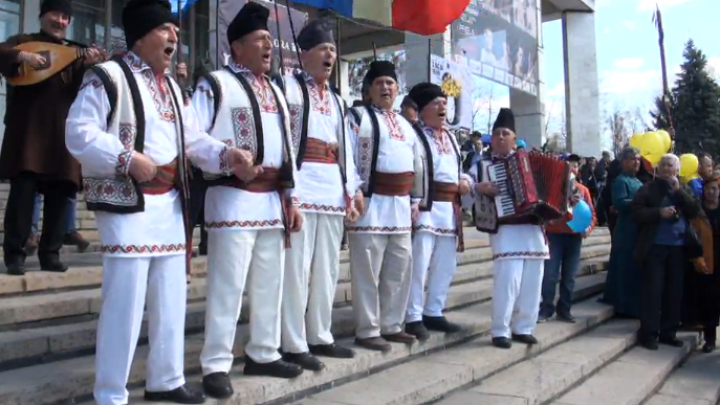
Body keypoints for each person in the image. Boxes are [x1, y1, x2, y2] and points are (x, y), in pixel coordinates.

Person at [65, 1, 253, 403]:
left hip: (170, 203)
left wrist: (226, 155)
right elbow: (78, 132)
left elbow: (193, 140)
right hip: (128, 204)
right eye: (166, 29)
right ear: (142, 34)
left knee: (172, 297)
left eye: (177, 30)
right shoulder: (108, 76)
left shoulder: (172, 88)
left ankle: (165, 380)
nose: (175, 37)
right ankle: (110, 393)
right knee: (125, 303)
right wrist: (126, 158)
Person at [191, 2, 304, 399]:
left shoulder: (274, 88)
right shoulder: (215, 84)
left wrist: (292, 197)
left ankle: (263, 351)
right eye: (260, 40)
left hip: (272, 201)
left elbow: (288, 147)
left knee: (269, 283)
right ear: (237, 46)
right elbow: (193, 137)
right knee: (227, 286)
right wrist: (227, 156)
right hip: (233, 200)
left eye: (270, 40)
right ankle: (216, 363)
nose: (268, 46)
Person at [0, 0, 104, 275]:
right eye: (56, 14)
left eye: (65, 17)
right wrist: (22, 57)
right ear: (43, 15)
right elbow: (3, 53)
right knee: (22, 195)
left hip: (64, 136)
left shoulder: (75, 52)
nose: (60, 21)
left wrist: (91, 64)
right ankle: (15, 255)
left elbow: (87, 89)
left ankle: (51, 253)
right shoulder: (24, 41)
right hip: (29, 134)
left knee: (61, 196)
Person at [279, 18, 359, 371]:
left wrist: (351, 190)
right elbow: (284, 140)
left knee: (327, 268)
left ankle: (320, 334)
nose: (330, 55)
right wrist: (288, 189)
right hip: (303, 183)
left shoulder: (339, 101)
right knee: (296, 269)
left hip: (331, 187)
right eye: (323, 49)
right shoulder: (288, 87)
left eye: (333, 49)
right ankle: (293, 341)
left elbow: (347, 150)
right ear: (305, 53)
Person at [346, 60, 423, 352]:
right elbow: (348, 156)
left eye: (390, 83)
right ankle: (367, 329)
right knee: (367, 268)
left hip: (401, 205)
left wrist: (416, 199)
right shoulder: (357, 117)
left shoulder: (405, 124)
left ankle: (392, 324)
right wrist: (354, 190)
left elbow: (417, 164)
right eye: (379, 83)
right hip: (371, 202)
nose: (385, 87)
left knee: (399, 267)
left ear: (397, 89)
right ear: (368, 90)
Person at [470, 108, 548, 349]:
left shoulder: (532, 161)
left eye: (506, 133)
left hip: (533, 229)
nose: (501, 137)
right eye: (497, 134)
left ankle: (524, 327)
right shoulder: (482, 165)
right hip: (505, 229)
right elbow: (467, 186)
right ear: (491, 139)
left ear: (515, 139)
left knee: (533, 282)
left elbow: (557, 190)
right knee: (508, 281)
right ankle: (500, 330)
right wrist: (479, 187)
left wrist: (571, 195)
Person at [403, 82, 472, 340]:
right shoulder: (415, 136)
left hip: (449, 210)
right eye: (437, 103)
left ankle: (434, 310)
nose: (443, 106)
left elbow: (457, 170)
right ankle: (413, 316)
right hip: (426, 207)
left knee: (445, 264)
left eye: (445, 102)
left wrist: (466, 181)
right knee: (419, 264)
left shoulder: (452, 138)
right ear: (422, 110)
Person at [632, 154, 699, 350]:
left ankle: (669, 333)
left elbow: (694, 210)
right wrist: (658, 213)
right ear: (657, 168)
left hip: (678, 249)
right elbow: (636, 212)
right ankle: (649, 334)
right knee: (653, 291)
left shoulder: (683, 188)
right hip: (654, 248)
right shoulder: (649, 188)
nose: (667, 168)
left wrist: (679, 192)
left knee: (674, 292)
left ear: (677, 170)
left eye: (671, 165)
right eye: (663, 165)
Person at [539, 154, 596, 323]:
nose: (572, 169)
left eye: (575, 167)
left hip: (574, 237)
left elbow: (592, 214)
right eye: (568, 167)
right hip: (554, 235)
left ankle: (565, 309)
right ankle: (546, 309)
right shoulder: (552, 188)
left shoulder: (583, 190)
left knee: (570, 276)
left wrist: (588, 228)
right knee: (550, 274)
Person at [602, 147, 643, 318]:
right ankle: (622, 304)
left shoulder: (639, 182)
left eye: (638, 159)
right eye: (633, 159)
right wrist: (640, 203)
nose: (636, 162)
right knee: (623, 267)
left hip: (637, 230)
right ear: (624, 161)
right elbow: (619, 203)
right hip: (625, 230)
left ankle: (633, 304)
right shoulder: (620, 181)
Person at [681, 174, 719, 352]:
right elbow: (692, 236)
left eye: (715, 189)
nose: (711, 192)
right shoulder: (697, 211)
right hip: (706, 260)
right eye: (709, 188)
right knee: (709, 301)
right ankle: (710, 339)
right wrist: (696, 256)